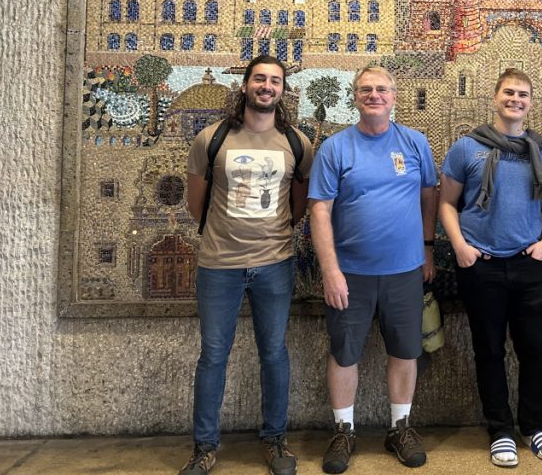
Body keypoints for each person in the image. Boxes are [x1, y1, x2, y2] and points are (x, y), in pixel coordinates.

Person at [181, 56, 314, 475]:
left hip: (274, 264)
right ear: (244, 85)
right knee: (213, 355)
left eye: (275, 80)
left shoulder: (297, 143)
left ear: (282, 91)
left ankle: (275, 441)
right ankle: (204, 447)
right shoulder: (212, 139)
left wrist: (272, 235)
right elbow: (195, 204)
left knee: (273, 353)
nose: (267, 86)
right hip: (219, 264)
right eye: (260, 78)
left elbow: (299, 207)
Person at [308, 65, 437, 473]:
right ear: (355, 97)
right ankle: (343, 431)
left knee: (405, 350)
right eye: (366, 89)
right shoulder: (336, 148)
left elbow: (429, 196)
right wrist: (329, 270)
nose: (374, 95)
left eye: (382, 89)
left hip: (404, 271)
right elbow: (320, 210)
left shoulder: (415, 143)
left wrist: (429, 250)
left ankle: (399, 427)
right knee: (345, 353)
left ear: (394, 96)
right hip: (351, 274)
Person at [438, 68, 542, 468]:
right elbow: (446, 203)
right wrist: (460, 246)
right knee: (488, 349)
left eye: (523, 94)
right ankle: (500, 430)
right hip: (482, 264)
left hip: (529, 265)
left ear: (531, 101)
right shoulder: (466, 148)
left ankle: (534, 425)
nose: (516, 99)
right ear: (495, 98)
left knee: (535, 349)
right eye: (509, 92)